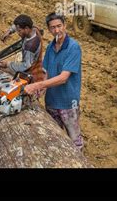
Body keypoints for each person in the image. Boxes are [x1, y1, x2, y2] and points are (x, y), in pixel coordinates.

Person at [24, 13, 83, 151]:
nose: (57, 31)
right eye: (53, 28)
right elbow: (47, 72)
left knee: (75, 141)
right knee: (55, 137)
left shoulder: (73, 47)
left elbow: (63, 78)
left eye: (59, 26)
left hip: (68, 103)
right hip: (51, 102)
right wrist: (41, 88)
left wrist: (37, 85)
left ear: (65, 26)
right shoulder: (51, 46)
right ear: (49, 29)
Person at [0, 14, 45, 83]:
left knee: (1, 69)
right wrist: (9, 31)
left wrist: (8, 64)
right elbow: (19, 24)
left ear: (26, 28)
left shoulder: (30, 46)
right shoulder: (34, 29)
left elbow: (26, 66)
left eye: (19, 31)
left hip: (30, 72)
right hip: (30, 61)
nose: (18, 33)